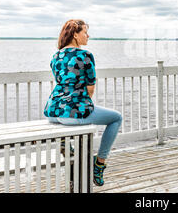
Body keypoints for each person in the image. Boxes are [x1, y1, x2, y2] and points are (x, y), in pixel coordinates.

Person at [44, 19, 122, 187]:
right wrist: (83, 108)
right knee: (116, 118)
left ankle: (65, 141)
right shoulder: (85, 56)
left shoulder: (56, 56)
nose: (88, 35)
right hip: (72, 114)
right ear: (75, 34)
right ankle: (99, 164)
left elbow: (62, 82)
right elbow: (90, 89)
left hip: (53, 112)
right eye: (85, 32)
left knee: (76, 118)